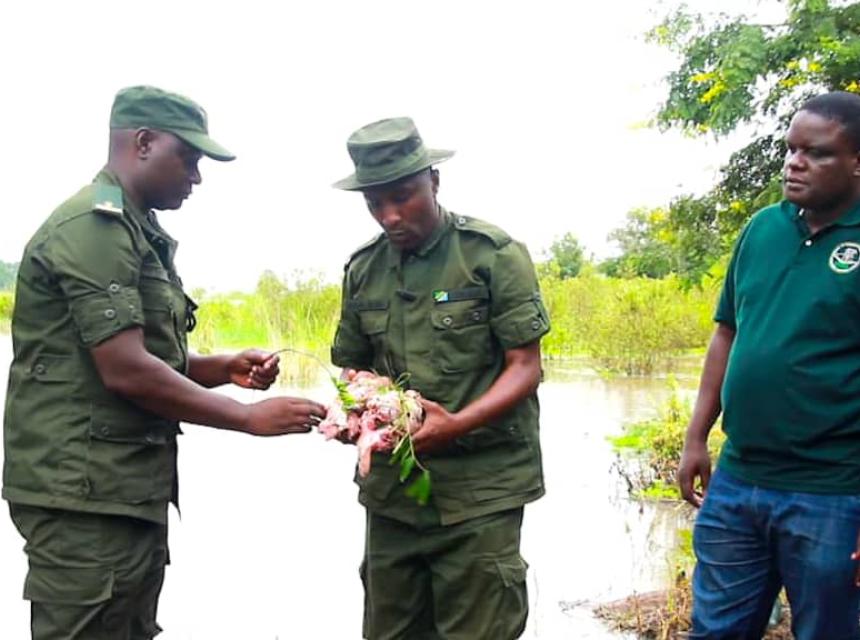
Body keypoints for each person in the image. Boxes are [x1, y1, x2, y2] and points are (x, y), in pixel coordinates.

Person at [2, 85, 326, 640]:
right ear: (144, 142)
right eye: (190, 158)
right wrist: (246, 418)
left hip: (120, 491)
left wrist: (222, 366)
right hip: (83, 497)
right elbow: (124, 368)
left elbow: (141, 354)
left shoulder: (134, 230)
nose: (196, 177)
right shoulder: (93, 226)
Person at [330, 117, 550, 640]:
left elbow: (526, 366)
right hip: (394, 499)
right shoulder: (363, 269)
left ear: (433, 180)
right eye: (374, 203)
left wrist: (457, 424)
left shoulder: (491, 255)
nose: (390, 215)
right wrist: (355, 412)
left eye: (403, 196)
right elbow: (352, 367)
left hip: (480, 497)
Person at [678, 91, 860, 639]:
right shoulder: (763, 229)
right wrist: (695, 437)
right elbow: (726, 334)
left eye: (817, 152)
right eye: (791, 149)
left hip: (833, 492)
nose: (795, 162)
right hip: (739, 481)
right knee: (714, 632)